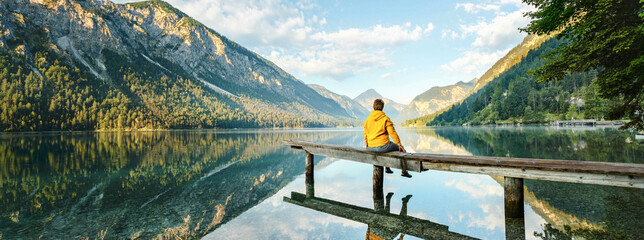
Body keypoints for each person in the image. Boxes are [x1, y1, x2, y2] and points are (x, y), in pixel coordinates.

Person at [363, 99, 411, 178]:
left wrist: (367, 144)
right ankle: (404, 171)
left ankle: (387, 168)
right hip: (383, 147)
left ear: (373, 107)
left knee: (387, 146)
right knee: (400, 149)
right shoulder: (385, 118)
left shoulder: (367, 120)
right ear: (382, 107)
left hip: (371, 147)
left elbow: (365, 134)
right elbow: (392, 133)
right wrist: (399, 144)